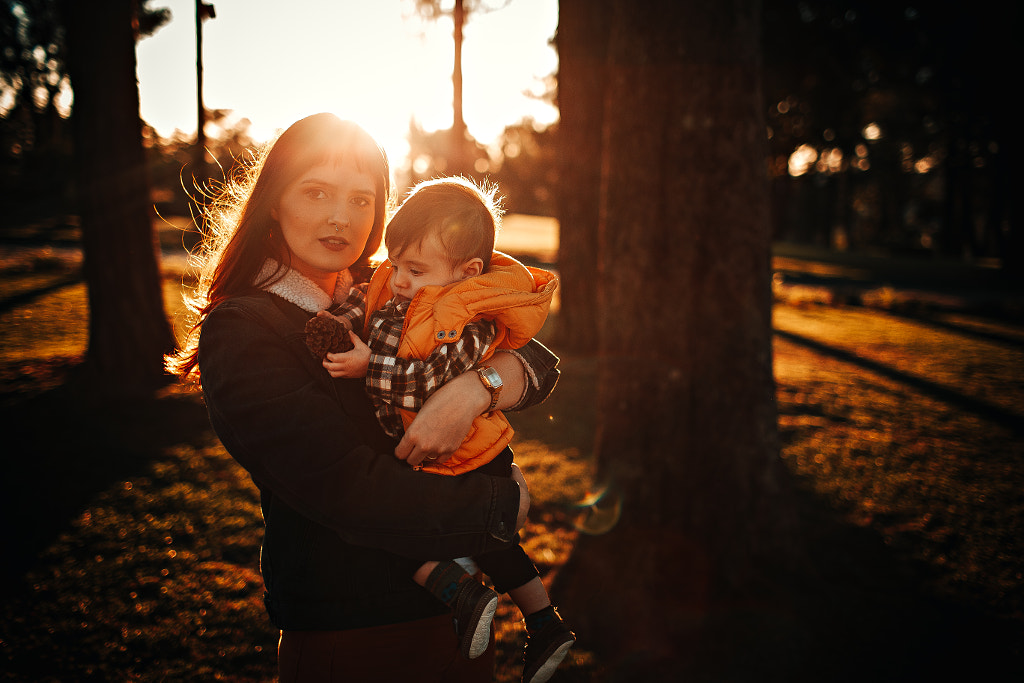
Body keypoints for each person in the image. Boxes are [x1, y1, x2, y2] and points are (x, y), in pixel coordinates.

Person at [165, 113, 561, 683]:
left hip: (463, 624)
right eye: (317, 191)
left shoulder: (393, 284)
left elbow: (537, 361)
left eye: (361, 199)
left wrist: (475, 390)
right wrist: (496, 512)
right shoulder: (245, 329)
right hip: (354, 629)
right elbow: (344, 487)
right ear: (274, 201)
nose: (339, 217)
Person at [316, 177, 574, 683]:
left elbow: (432, 383)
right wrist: (334, 323)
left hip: (471, 448)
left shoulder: (468, 320)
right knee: (400, 529)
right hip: (419, 450)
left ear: (467, 271)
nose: (401, 279)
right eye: (395, 263)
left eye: (415, 269)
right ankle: (466, 595)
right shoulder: (397, 284)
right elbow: (363, 305)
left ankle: (544, 623)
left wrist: (369, 367)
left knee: (492, 540)